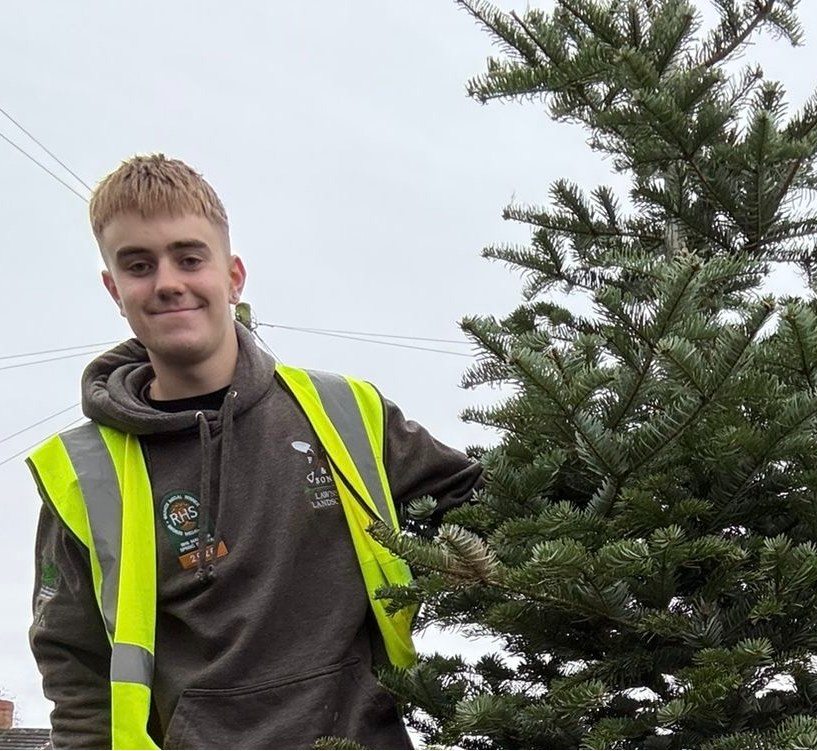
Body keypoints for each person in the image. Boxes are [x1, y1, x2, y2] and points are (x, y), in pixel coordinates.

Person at [27, 154, 484, 749]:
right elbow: (76, 672)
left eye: (190, 258)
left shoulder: (345, 413)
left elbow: (479, 511)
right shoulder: (84, 475)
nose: (168, 282)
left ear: (234, 275)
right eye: (139, 265)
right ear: (114, 289)